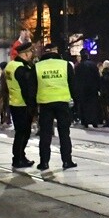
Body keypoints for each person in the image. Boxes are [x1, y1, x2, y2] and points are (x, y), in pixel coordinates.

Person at [35, 43, 77, 171]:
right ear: (56, 51)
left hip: (45, 103)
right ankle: (67, 161)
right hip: (62, 102)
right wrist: (74, 102)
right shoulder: (65, 65)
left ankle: (44, 162)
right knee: (64, 133)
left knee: (45, 134)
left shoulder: (37, 66)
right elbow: (72, 84)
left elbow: (32, 86)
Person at [5, 42, 38, 170]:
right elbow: (27, 89)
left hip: (14, 102)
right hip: (23, 104)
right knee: (23, 132)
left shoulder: (10, 65)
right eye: (30, 53)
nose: (31, 55)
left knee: (20, 132)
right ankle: (18, 158)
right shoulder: (22, 69)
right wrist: (33, 106)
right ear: (25, 54)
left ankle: (20, 156)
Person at [74, 49, 101, 128]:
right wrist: (98, 88)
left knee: (84, 106)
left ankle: (85, 121)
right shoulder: (93, 65)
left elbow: (77, 79)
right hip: (93, 89)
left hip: (83, 90)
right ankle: (94, 121)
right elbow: (97, 77)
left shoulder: (79, 66)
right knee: (93, 105)